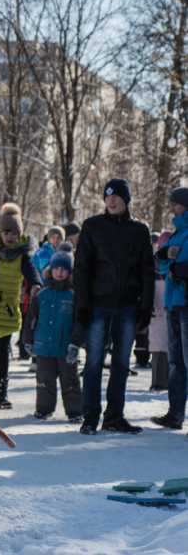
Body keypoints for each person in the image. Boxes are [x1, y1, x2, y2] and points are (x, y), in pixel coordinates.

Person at [74, 179, 154, 435]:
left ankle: (114, 417)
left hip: (128, 306)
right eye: (107, 196)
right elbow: (81, 268)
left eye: (117, 196)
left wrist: (146, 306)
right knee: (93, 362)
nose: (111, 200)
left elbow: (147, 270)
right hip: (98, 305)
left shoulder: (139, 230)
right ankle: (90, 417)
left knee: (121, 364)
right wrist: (82, 305)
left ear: (126, 200)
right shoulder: (92, 226)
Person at [0, 203, 40, 409]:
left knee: (3, 354)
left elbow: (31, 271)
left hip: (6, 310)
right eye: (7, 232)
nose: (10, 237)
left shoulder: (21, 255)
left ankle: (1, 394)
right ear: (0, 232)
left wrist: (36, 284)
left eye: (15, 233)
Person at [22, 250, 83, 423]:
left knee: (70, 381)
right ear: (50, 270)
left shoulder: (73, 296)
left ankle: (74, 411)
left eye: (64, 269)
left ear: (70, 272)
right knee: (44, 381)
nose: (60, 272)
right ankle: (44, 409)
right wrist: (28, 340)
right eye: (56, 268)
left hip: (65, 348)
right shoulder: (41, 295)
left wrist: (76, 343)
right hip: (44, 347)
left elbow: (79, 322)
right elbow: (31, 320)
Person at [150, 188, 188, 432]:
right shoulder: (177, 233)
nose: (172, 207)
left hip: (186, 302)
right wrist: (165, 255)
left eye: (176, 203)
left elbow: (175, 266)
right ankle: (175, 414)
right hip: (174, 302)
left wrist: (175, 268)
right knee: (176, 362)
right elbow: (161, 263)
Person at [149, 231, 171, 391]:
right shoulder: (153, 263)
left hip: (169, 307)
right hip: (158, 309)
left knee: (169, 346)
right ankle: (159, 381)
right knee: (159, 346)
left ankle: (166, 381)